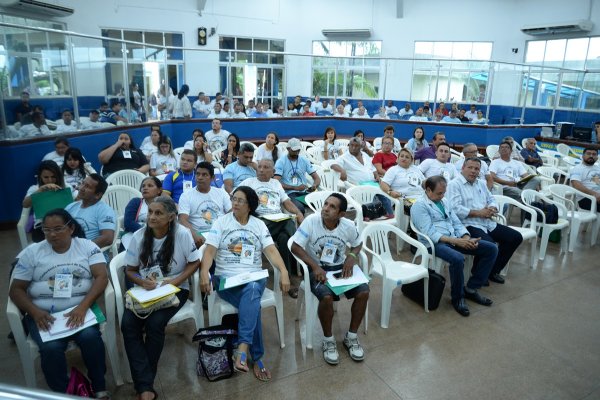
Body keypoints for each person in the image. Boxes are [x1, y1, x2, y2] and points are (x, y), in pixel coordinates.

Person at [9, 209, 110, 398]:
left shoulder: (87, 246)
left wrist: (83, 307)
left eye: (57, 229)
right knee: (51, 349)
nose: (52, 234)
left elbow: (102, 277)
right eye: (47, 230)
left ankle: (99, 387)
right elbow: (16, 289)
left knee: (91, 339)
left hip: (81, 309)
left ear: (71, 228)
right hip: (43, 313)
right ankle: (64, 393)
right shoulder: (32, 252)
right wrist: (35, 312)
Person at [200, 186, 290, 381]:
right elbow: (209, 251)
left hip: (254, 276)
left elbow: (272, 251)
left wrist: (283, 271)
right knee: (252, 300)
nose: (235, 203)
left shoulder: (258, 224)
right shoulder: (221, 222)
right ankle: (255, 356)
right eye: (234, 199)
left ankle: (242, 349)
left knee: (251, 289)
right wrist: (204, 272)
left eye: (240, 200)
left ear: (250, 205)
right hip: (226, 280)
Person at [122, 196, 200, 400]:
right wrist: (141, 281)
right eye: (150, 212)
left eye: (158, 213)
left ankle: (144, 385)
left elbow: (194, 262)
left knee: (155, 323)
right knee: (128, 324)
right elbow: (129, 270)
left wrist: (175, 281)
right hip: (146, 289)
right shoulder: (139, 236)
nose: (152, 217)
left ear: (171, 217)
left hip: (175, 289)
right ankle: (145, 382)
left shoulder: (182, 234)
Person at [291, 193, 369, 365]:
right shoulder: (312, 221)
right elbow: (295, 246)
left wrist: (351, 256)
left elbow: (357, 244)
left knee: (364, 291)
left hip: (340, 269)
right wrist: (315, 266)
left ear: (341, 214)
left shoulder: (348, 225)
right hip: (317, 269)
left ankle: (351, 337)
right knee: (326, 297)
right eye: (326, 204)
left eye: (332, 206)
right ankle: (328, 340)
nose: (325, 208)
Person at [411, 176, 498, 317]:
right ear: (428, 190)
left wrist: (466, 238)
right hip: (434, 243)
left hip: (454, 238)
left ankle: (471, 288)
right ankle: (457, 298)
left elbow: (456, 222)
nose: (443, 196)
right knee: (457, 258)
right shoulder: (419, 205)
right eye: (439, 193)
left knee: (491, 249)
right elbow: (430, 233)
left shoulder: (444, 201)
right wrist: (457, 242)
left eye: (444, 192)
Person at [447, 158, 523, 284]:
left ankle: (491, 271)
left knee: (515, 237)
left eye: (476, 169)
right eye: (470, 167)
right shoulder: (454, 184)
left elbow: (491, 199)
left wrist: (493, 207)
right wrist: (478, 212)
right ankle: (478, 273)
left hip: (486, 222)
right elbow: (454, 209)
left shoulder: (481, 183)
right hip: (467, 224)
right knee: (490, 245)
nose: (473, 171)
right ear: (463, 168)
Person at [241, 159, 304, 297]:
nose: (261, 169)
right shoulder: (248, 183)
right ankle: (301, 260)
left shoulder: (276, 184)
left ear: (273, 172)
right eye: (260, 167)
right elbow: (235, 199)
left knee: (284, 238)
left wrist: (298, 213)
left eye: (266, 167)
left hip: (277, 221)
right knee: (289, 223)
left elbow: (286, 202)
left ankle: (286, 276)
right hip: (258, 223)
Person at [331, 137, 394, 218]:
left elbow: (372, 168)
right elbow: (333, 165)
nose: (353, 147)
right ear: (348, 145)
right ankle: (369, 215)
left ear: (360, 146)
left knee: (385, 192)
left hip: (372, 183)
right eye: (351, 145)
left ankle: (389, 214)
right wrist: (342, 170)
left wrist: (377, 176)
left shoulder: (364, 155)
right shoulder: (344, 157)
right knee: (374, 197)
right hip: (357, 186)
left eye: (356, 146)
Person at [178, 162, 231, 248]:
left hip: (220, 233)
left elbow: (232, 213)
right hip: (199, 236)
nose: (200, 178)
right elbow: (182, 220)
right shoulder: (186, 195)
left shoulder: (221, 193)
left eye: (204, 175)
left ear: (212, 178)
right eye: (197, 174)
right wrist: (195, 235)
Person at [23, 160, 73, 242]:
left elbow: (76, 201)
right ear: (40, 177)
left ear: (58, 176)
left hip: (65, 224)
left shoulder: (66, 187)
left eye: (53, 177)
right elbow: (25, 204)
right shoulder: (34, 189)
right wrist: (41, 190)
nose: (50, 180)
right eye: (46, 177)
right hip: (42, 226)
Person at [65, 174, 116, 249]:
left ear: (97, 195)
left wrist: (81, 249)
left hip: (91, 254)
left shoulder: (104, 210)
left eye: (87, 187)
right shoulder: (71, 207)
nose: (81, 188)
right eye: (82, 183)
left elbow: (107, 238)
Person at [274, 138, 321, 214]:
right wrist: (295, 187)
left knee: (321, 204)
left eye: (298, 150)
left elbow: (317, 178)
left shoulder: (304, 160)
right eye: (294, 150)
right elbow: (276, 182)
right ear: (288, 149)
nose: (297, 152)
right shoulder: (281, 162)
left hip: (304, 192)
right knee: (300, 209)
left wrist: (314, 185)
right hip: (289, 194)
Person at [122, 176, 163, 249]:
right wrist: (147, 232)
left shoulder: (164, 204)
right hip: (134, 235)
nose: (145, 188)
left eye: (150, 186)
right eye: (143, 186)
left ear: (159, 190)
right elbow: (128, 223)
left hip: (159, 237)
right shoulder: (135, 202)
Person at [569, 147, 600, 211]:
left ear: (597, 157)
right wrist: (595, 194)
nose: (591, 156)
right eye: (588, 153)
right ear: (583, 156)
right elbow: (576, 185)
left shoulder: (597, 168)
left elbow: (596, 181)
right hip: (586, 198)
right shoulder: (577, 168)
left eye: (594, 154)